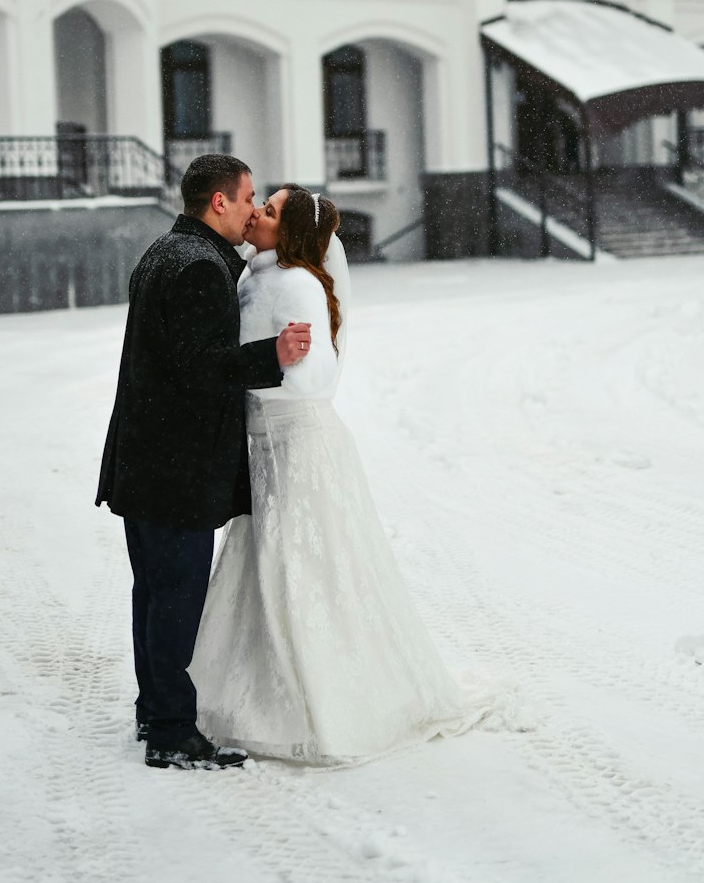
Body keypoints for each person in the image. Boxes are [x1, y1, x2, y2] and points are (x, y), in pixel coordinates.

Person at [190, 184, 526, 765]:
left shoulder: (297, 284)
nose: (258, 215)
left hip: (297, 444)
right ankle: (256, 691)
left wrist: (276, 363)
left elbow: (315, 378)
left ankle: (322, 701)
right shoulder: (253, 275)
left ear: (288, 232)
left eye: (269, 211)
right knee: (261, 564)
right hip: (262, 445)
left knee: (301, 567)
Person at [95, 154, 312, 771]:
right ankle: (171, 731)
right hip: (174, 465)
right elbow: (200, 371)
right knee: (177, 596)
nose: (252, 209)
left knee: (155, 592)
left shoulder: (169, 251)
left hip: (147, 455)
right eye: (247, 198)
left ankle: (155, 709)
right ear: (219, 202)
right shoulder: (196, 267)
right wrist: (271, 354)